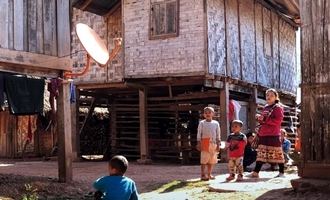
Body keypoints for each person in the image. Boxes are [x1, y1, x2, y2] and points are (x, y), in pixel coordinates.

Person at [249, 88, 285, 178]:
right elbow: (264, 121)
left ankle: (282, 172)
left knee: (277, 153)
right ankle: (256, 172)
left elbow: (278, 121)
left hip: (273, 134)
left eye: (271, 95)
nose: (269, 97)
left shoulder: (278, 108)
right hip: (264, 133)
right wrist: (259, 118)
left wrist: (264, 119)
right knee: (261, 153)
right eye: (267, 95)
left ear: (276, 97)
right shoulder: (266, 107)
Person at [197, 107, 221, 181]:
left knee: (211, 160)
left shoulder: (216, 123)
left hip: (213, 143)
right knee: (204, 160)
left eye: (209, 112)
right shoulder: (202, 123)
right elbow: (199, 133)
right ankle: (203, 174)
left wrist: (218, 144)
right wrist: (198, 143)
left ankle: (209, 174)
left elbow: (218, 134)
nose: (207, 114)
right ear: (203, 114)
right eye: (206, 113)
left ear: (213, 114)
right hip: (204, 142)